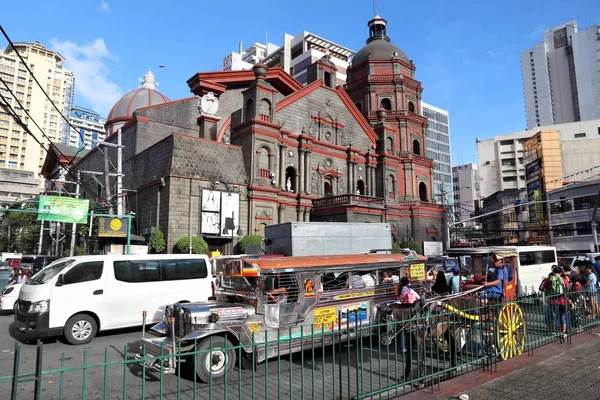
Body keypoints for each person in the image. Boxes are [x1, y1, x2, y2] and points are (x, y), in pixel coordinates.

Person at [543, 265, 568, 338]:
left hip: (552, 300)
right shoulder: (564, 280)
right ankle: (563, 332)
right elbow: (566, 290)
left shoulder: (548, 280)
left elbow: (545, 290)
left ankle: (553, 331)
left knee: (553, 317)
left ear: (553, 272)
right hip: (562, 300)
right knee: (562, 316)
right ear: (560, 273)